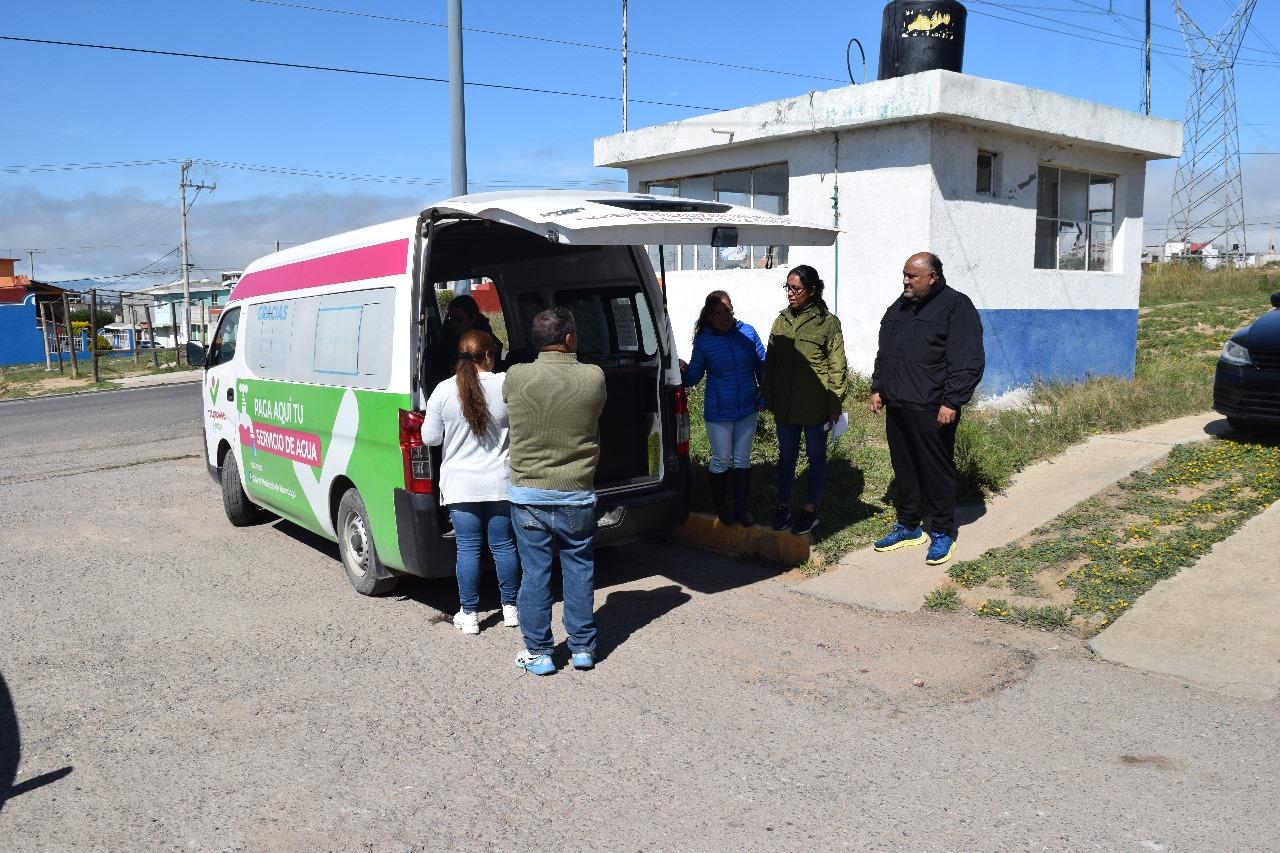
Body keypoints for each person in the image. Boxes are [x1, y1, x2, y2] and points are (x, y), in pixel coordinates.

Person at [503, 307, 607, 676]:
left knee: (535, 574)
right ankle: (582, 649)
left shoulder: (515, 377)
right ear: (568, 338)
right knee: (578, 569)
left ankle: (541, 653)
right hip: (576, 493)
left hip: (528, 495)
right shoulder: (594, 377)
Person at [869, 252, 984, 566]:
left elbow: (967, 359)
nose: (905, 281)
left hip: (933, 406)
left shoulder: (956, 306)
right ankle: (908, 526)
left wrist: (952, 400)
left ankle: (943, 531)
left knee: (936, 470)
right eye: (904, 275)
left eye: (912, 276)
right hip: (899, 402)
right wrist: (878, 387)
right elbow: (886, 351)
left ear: (932, 277)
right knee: (905, 468)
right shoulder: (899, 307)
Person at [422, 329, 521, 634]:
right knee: (504, 546)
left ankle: (470, 614)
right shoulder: (506, 384)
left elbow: (431, 437)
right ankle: (511, 609)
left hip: (461, 485)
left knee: (468, 549)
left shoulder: (442, 390)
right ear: (490, 355)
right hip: (499, 482)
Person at [762, 265, 848, 536]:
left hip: (815, 406)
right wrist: (767, 394)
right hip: (785, 406)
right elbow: (771, 362)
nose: (790, 293)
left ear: (811, 290)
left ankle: (810, 510)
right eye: (787, 287)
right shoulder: (781, 321)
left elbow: (838, 365)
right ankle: (782, 506)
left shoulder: (827, 322)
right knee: (786, 457)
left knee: (815, 456)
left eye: (796, 288)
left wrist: (835, 404)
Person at [680, 290, 766, 526]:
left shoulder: (748, 333)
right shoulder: (704, 341)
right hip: (719, 413)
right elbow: (694, 376)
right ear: (708, 316)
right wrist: (681, 372)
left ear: (733, 309)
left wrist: (764, 391)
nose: (723, 316)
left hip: (748, 408)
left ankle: (740, 509)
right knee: (721, 459)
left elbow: (762, 365)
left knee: (742, 459)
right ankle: (722, 508)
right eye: (717, 312)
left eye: (727, 310)